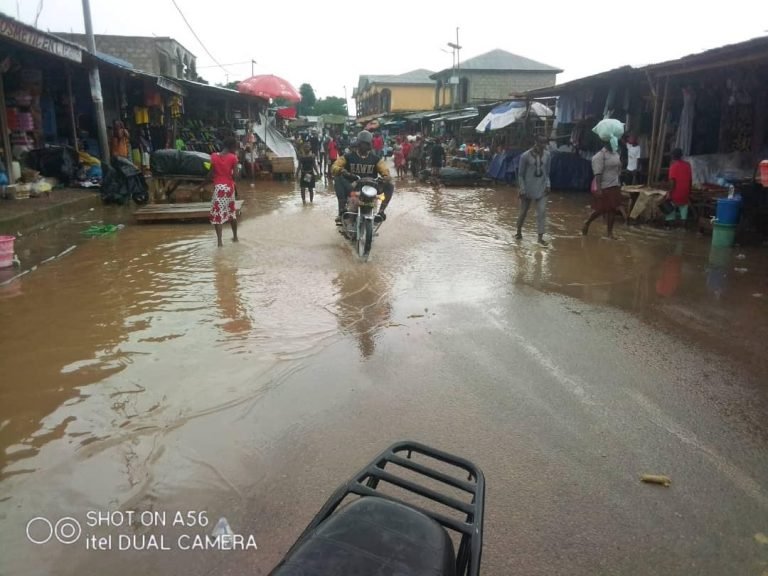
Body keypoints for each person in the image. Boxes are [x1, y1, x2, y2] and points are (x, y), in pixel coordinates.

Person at [331, 130, 393, 223]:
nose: (368, 146)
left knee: (390, 185)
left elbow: (384, 170)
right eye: (365, 144)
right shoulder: (348, 157)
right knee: (338, 178)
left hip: (371, 189)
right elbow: (334, 167)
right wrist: (341, 170)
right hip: (353, 188)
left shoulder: (376, 159)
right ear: (359, 144)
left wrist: (386, 176)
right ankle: (342, 210)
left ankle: (381, 212)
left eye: (369, 144)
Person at [582, 140, 624, 238]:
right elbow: (598, 173)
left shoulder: (616, 154)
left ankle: (610, 233)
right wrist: (599, 188)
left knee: (613, 209)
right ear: (606, 143)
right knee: (601, 209)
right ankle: (588, 222)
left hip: (615, 184)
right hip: (604, 185)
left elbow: (619, 169)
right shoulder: (599, 156)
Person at [516, 135, 551, 246]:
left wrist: (548, 185)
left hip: (542, 187)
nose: (543, 145)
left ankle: (540, 238)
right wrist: (522, 189)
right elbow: (520, 175)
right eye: (541, 143)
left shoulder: (547, 155)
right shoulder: (525, 156)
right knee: (523, 212)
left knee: (541, 211)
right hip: (527, 188)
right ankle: (518, 231)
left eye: (544, 143)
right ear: (535, 142)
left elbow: (547, 172)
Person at [209, 137, 239, 247]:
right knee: (231, 212)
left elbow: (211, 174)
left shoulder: (213, 156)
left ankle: (220, 242)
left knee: (218, 215)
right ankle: (235, 237)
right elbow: (235, 176)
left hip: (218, 189)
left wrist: (201, 186)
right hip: (229, 188)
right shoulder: (233, 158)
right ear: (232, 147)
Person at [665, 148, 692, 227]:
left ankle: (669, 226)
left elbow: (672, 182)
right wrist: (689, 192)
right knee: (684, 208)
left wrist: (669, 193)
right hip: (685, 192)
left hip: (676, 193)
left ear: (672, 156)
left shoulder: (673, 166)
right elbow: (690, 180)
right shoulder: (687, 165)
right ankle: (683, 228)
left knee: (670, 208)